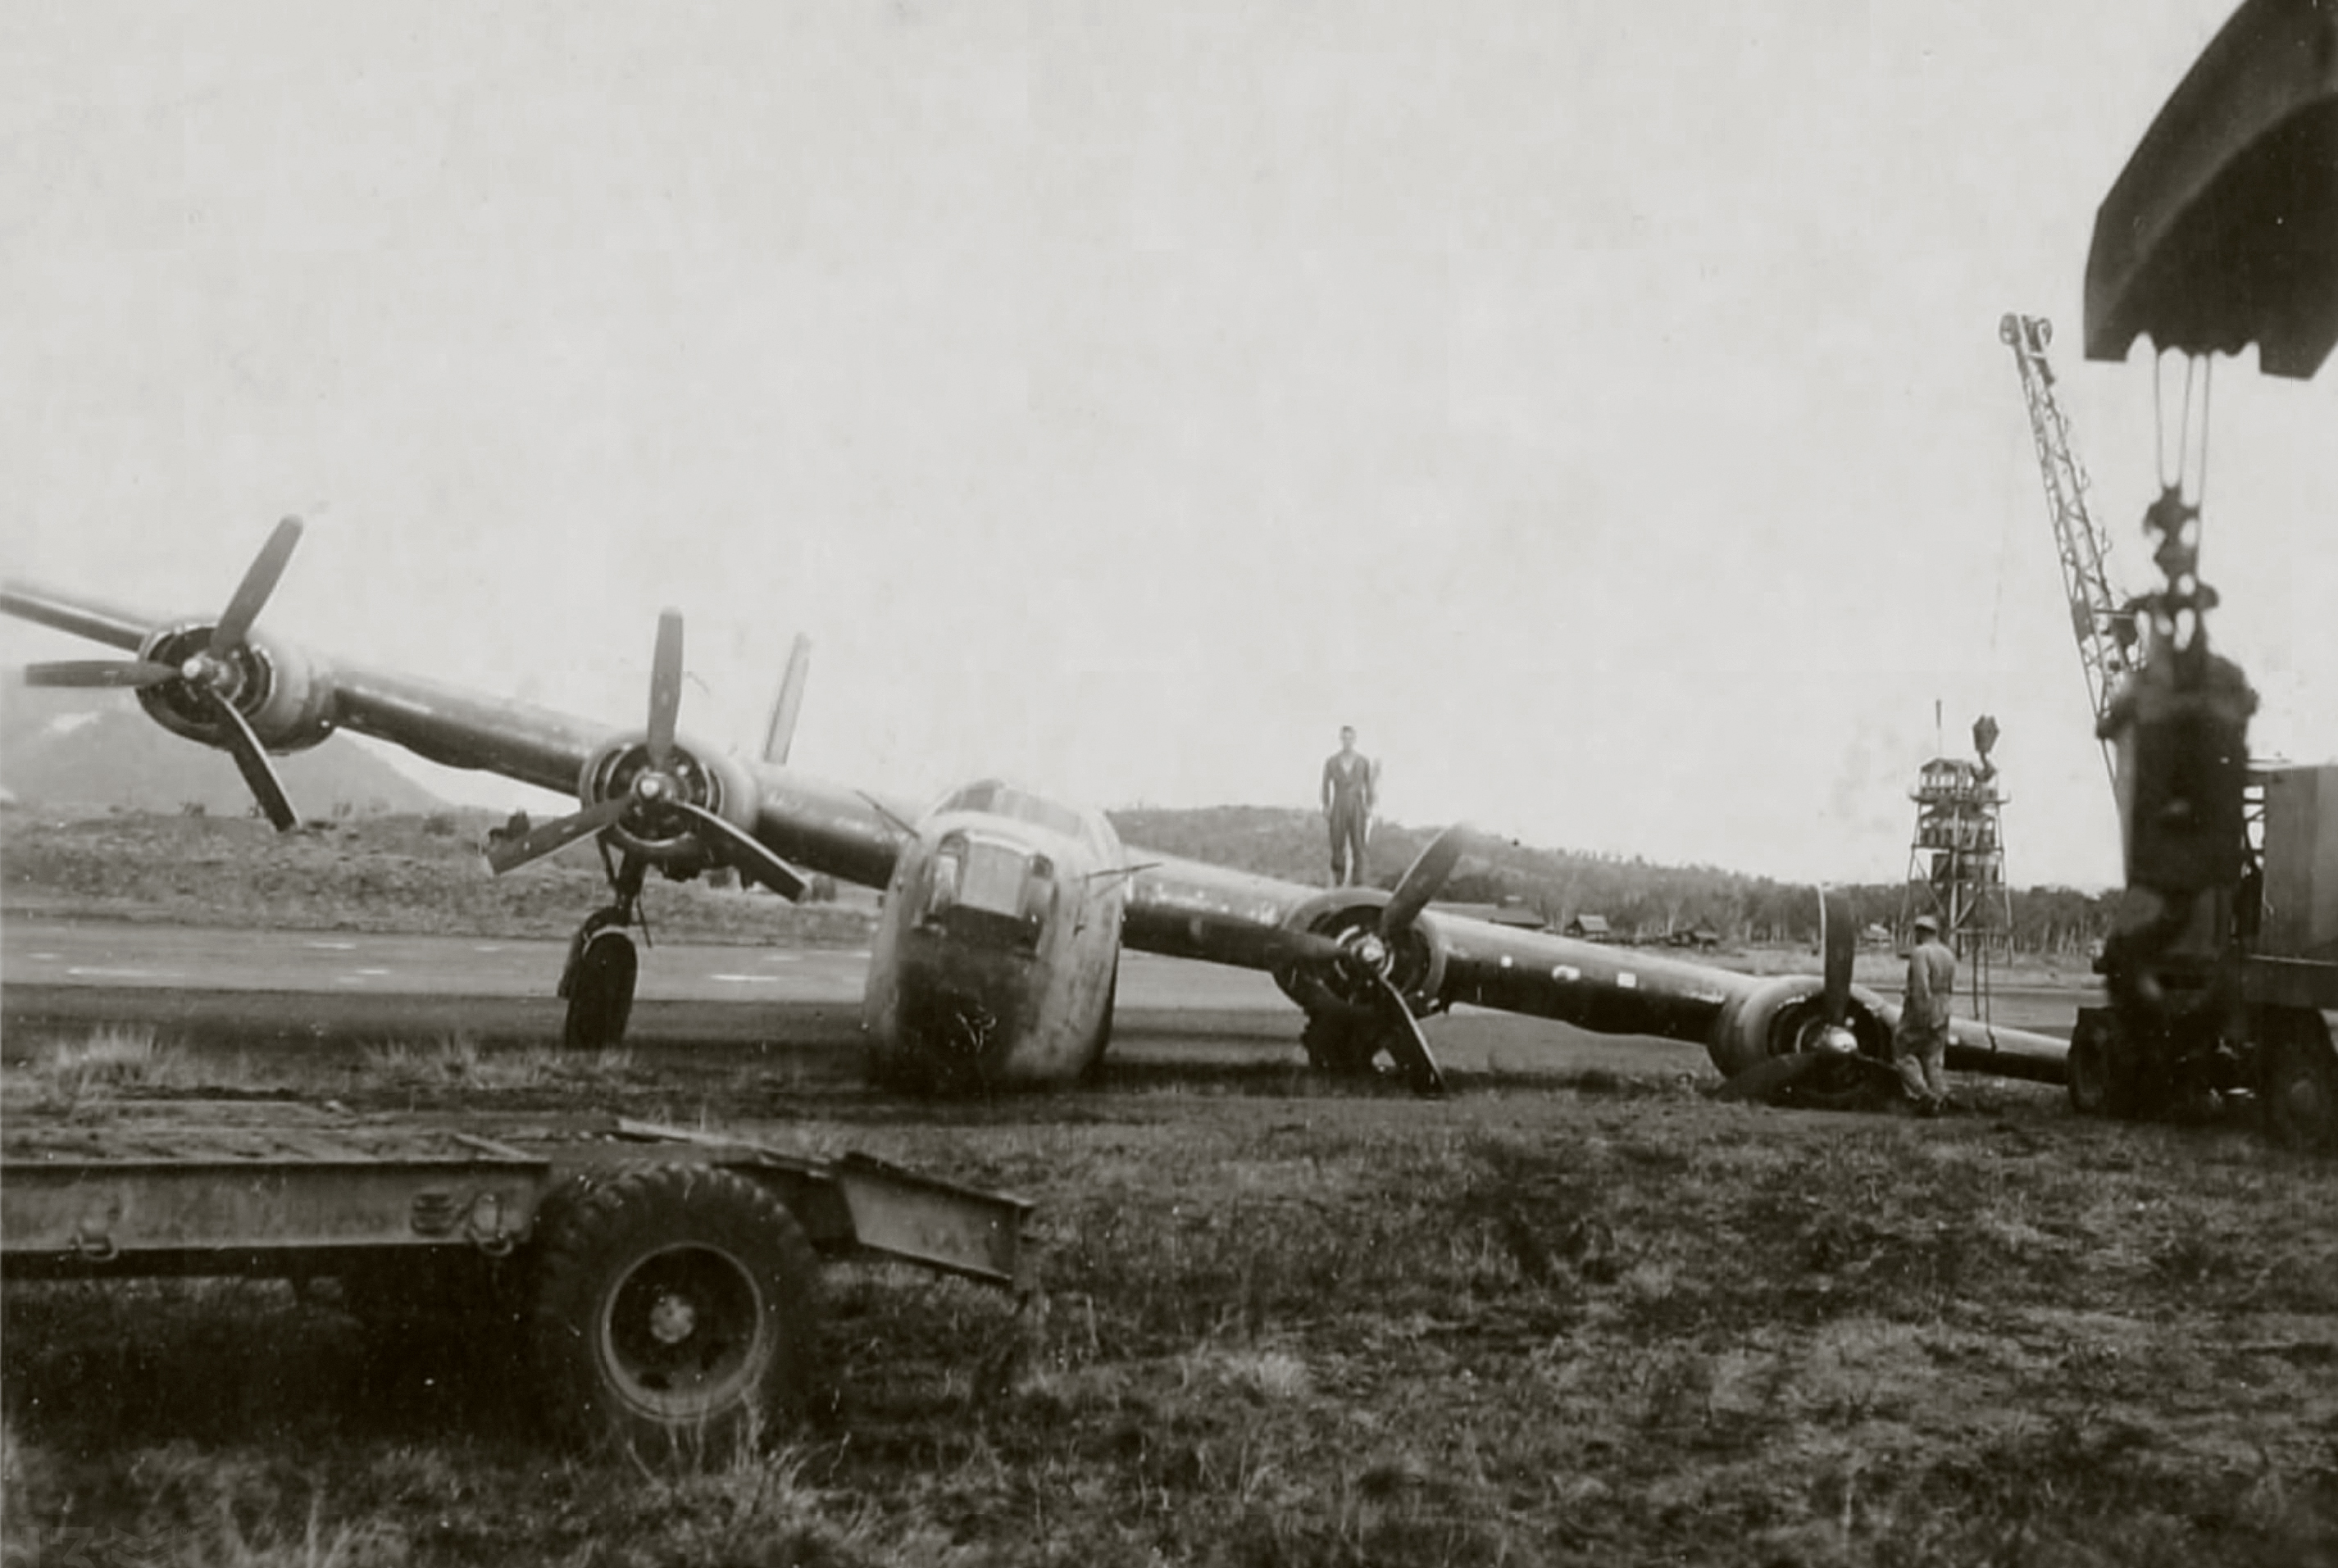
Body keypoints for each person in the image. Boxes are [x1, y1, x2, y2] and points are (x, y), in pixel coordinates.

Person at [1895, 913, 1955, 1113]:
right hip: (1944, 1006)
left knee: (1904, 1053)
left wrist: (1919, 1013)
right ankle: (1941, 1095)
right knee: (1934, 1056)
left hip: (1923, 1007)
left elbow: (1922, 986)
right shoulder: (1948, 954)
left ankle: (1924, 1095)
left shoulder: (1920, 953)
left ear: (1921, 932)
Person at [1320, 725, 1377, 887]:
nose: (1347, 742)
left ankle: (1359, 883)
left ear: (1354, 740)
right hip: (1339, 804)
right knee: (1337, 844)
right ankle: (1338, 881)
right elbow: (1325, 784)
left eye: (1350, 739)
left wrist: (1369, 805)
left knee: (1359, 845)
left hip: (1357, 805)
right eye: (1344, 739)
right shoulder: (1332, 762)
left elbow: (1369, 785)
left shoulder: (1363, 762)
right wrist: (1325, 805)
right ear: (1341, 740)